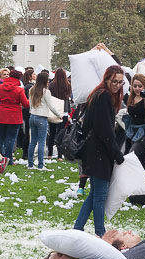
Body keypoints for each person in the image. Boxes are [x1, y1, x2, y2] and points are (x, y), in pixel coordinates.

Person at [74, 65, 126, 236]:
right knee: (99, 196)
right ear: (107, 79)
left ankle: (78, 228)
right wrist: (117, 154)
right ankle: (100, 232)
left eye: (120, 82)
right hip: (99, 152)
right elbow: (104, 131)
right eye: (114, 81)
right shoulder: (103, 96)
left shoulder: (99, 94)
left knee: (95, 194)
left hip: (95, 150)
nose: (117, 85)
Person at [28, 71, 63, 169]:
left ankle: (30, 164)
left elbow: (30, 104)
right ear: (45, 81)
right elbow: (51, 106)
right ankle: (40, 164)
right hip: (41, 118)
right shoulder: (46, 92)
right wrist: (59, 115)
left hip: (32, 116)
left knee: (33, 142)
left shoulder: (31, 89)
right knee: (42, 142)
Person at [0, 68, 29, 165]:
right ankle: (8, 159)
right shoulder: (19, 89)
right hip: (14, 116)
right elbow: (26, 104)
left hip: (1, 114)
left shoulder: (0, 88)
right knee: (10, 138)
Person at [47, 68, 72, 158]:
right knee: (61, 133)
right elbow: (68, 96)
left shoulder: (51, 85)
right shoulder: (68, 85)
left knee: (52, 133)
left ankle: (50, 153)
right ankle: (60, 155)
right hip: (64, 111)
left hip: (54, 111)